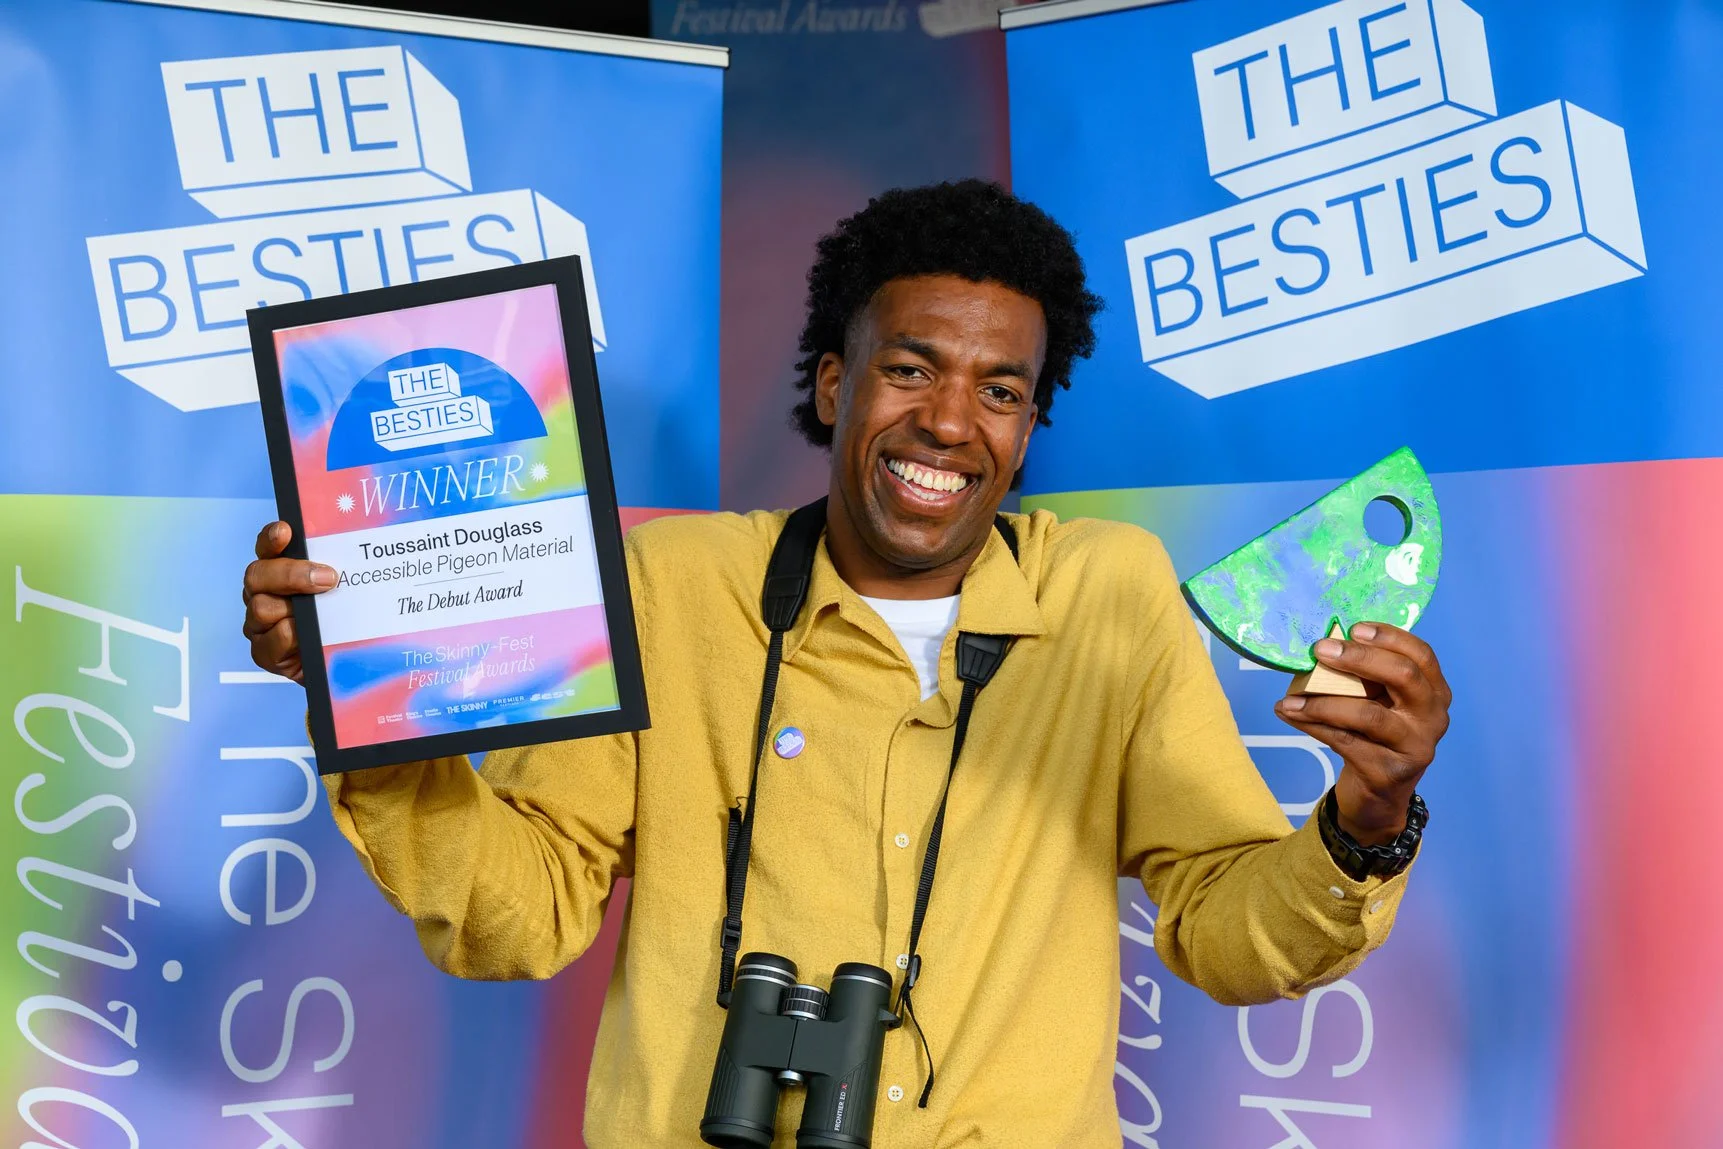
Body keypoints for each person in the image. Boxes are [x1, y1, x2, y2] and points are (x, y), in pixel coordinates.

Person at [241, 180, 1451, 1147]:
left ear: (1029, 430)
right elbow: (521, 922)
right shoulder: (673, 587)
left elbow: (1226, 937)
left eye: (1000, 391)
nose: (946, 423)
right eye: (910, 368)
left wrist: (1365, 818)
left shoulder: (1108, 596)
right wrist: (369, 705)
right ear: (833, 382)